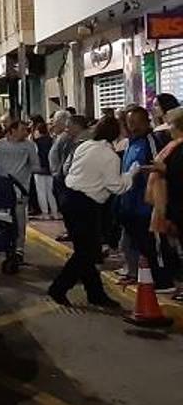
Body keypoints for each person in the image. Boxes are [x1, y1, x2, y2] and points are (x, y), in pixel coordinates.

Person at [48, 117, 136, 308]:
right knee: (87, 252)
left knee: (87, 250)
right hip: (85, 204)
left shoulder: (85, 146)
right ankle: (59, 287)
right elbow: (116, 186)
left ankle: (95, 294)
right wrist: (132, 174)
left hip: (69, 198)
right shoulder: (109, 155)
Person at [117, 106, 173, 291]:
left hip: (147, 205)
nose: (133, 126)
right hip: (131, 205)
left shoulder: (151, 141)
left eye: (137, 122)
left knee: (155, 245)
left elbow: (159, 168)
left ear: (146, 122)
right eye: (129, 123)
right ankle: (146, 276)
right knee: (141, 245)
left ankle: (164, 281)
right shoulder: (130, 144)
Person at [0, 119, 39, 256]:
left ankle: (19, 248)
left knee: (19, 219)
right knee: (0, 218)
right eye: (22, 129)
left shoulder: (30, 146)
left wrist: (33, 171)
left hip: (21, 189)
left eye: (26, 130)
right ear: (12, 130)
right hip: (1, 189)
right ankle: (1, 242)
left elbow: (35, 165)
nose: (26, 132)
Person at [146, 107, 183, 301]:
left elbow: (177, 177)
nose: (168, 129)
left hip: (176, 205)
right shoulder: (174, 146)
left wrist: (164, 169)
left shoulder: (179, 149)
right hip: (171, 204)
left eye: (171, 125)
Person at [31, 117, 59, 220]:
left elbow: (34, 155)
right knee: (50, 191)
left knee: (41, 192)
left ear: (38, 131)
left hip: (39, 169)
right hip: (50, 169)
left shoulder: (36, 142)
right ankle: (55, 212)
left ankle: (45, 213)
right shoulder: (52, 141)